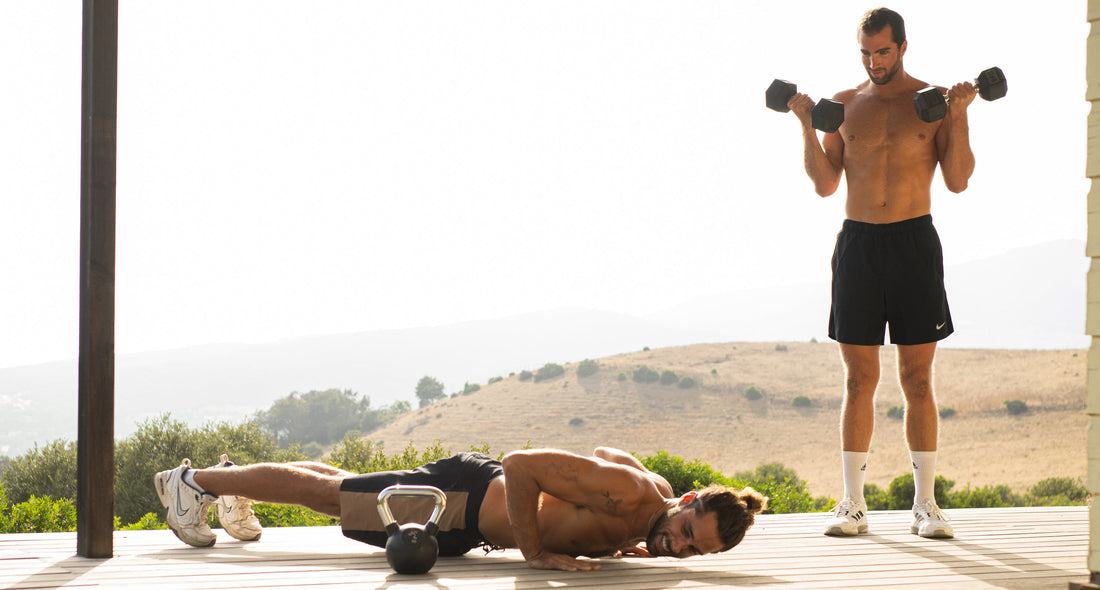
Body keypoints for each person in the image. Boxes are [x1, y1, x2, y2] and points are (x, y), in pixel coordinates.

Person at [781, 7, 976, 539]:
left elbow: (957, 180)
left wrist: (960, 115)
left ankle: (926, 505)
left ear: (903, 47)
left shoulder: (935, 102)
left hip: (913, 242)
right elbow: (825, 184)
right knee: (858, 379)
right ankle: (853, 504)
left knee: (917, 378)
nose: (874, 62)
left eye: (883, 52)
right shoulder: (843, 105)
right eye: (866, 53)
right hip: (859, 245)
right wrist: (805, 126)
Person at [154, 447, 767, 572]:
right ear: (688, 500)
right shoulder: (632, 493)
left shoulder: (649, 507)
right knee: (331, 497)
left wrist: (628, 537)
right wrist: (536, 552)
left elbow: (607, 453)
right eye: (686, 531)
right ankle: (190, 483)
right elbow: (521, 463)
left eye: (693, 551)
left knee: (343, 485)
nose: (678, 547)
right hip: (461, 503)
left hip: (468, 524)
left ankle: (233, 483)